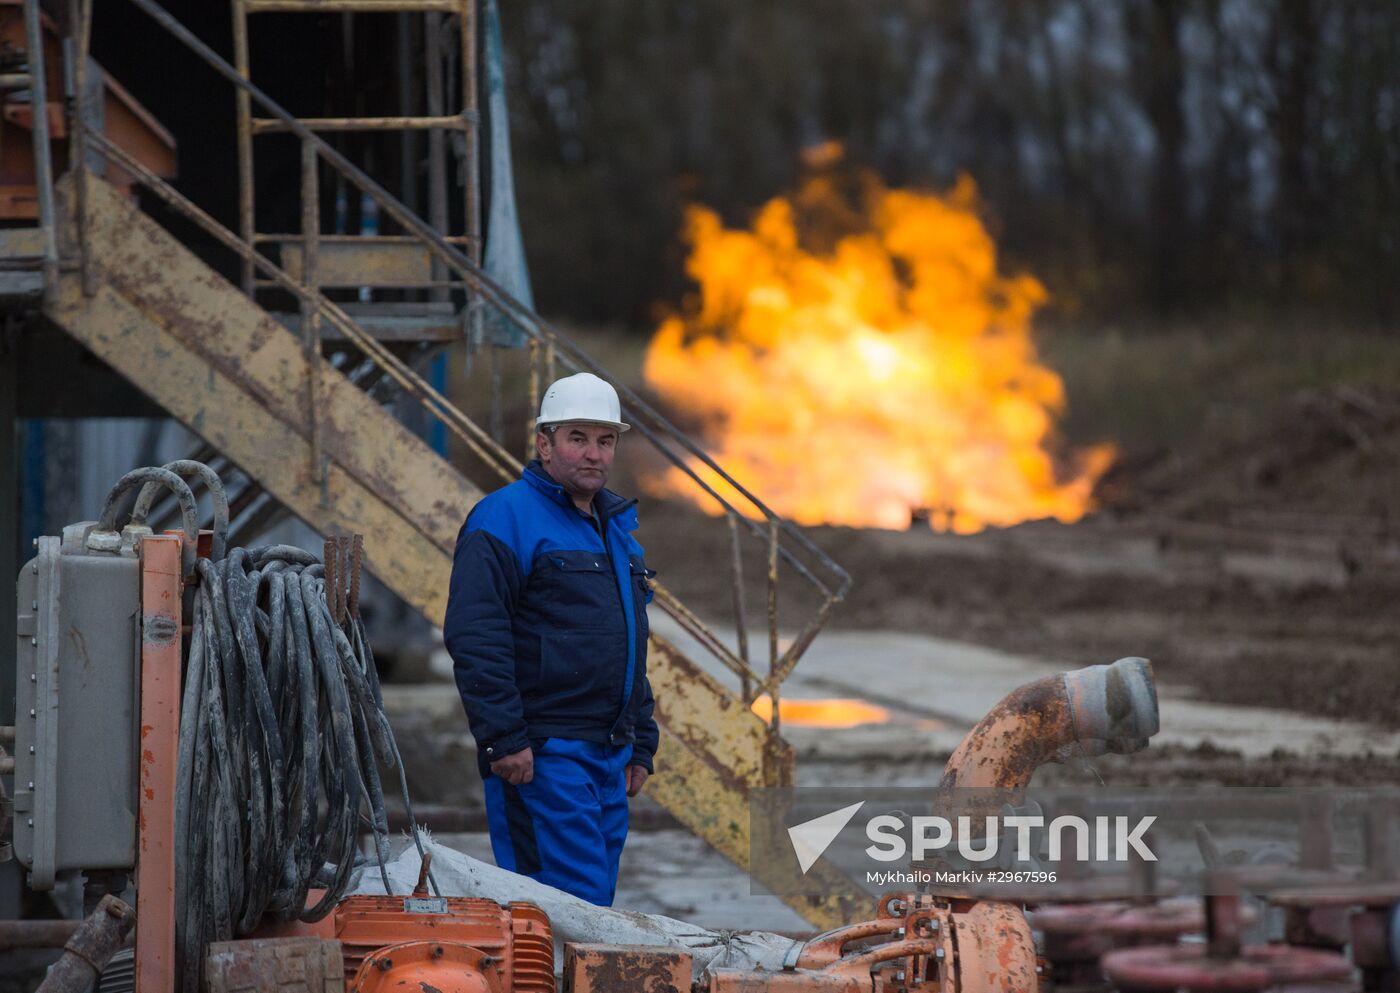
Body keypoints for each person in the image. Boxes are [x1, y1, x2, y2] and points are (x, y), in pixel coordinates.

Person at [443, 371, 658, 906]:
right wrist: (504, 738)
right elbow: (476, 635)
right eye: (577, 438)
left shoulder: (615, 529)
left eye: (605, 441)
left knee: (594, 906)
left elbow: (628, 641)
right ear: (544, 443)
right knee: (558, 910)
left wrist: (641, 738)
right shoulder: (504, 518)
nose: (594, 454)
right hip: (542, 753)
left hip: (608, 750)